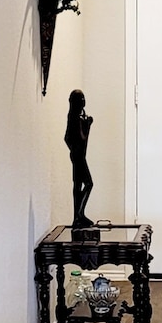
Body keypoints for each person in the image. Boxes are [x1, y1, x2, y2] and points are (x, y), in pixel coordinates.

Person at [65, 89, 94, 228]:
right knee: (88, 183)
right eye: (81, 98)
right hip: (78, 156)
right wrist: (87, 125)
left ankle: (78, 216)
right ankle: (79, 214)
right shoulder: (75, 118)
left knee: (78, 186)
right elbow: (77, 138)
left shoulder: (75, 116)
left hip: (78, 155)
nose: (83, 101)